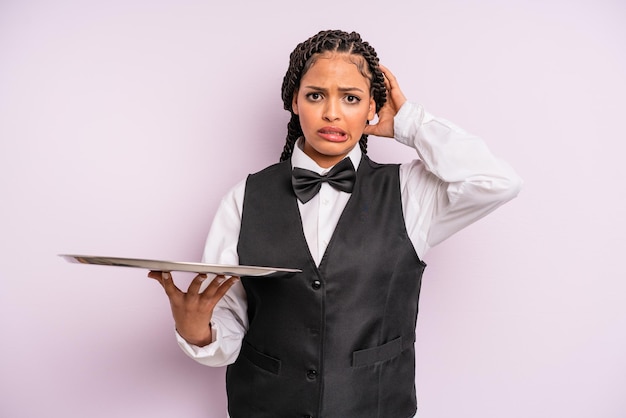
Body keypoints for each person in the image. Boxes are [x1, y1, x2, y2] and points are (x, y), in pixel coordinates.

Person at [149, 29, 522, 418]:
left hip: (375, 406)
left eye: (350, 98)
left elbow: (497, 182)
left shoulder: (410, 192)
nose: (332, 112)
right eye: (315, 95)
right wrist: (198, 332)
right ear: (295, 101)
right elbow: (228, 315)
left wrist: (410, 123)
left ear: (371, 108)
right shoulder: (245, 196)